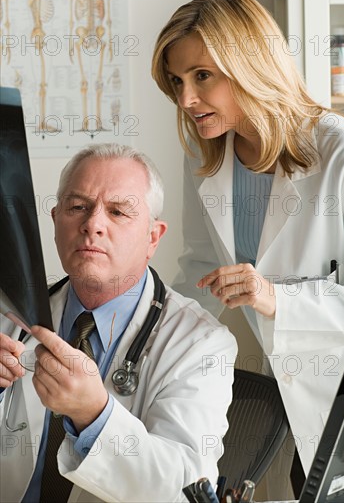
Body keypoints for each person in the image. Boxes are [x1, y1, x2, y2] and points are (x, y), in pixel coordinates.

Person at [151, 0, 344, 481]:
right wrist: (143, 338)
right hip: (272, 393)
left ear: (250, 63)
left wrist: (279, 300)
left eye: (202, 75)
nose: (186, 99)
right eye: (177, 81)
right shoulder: (206, 157)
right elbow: (201, 273)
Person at [0, 143, 237, 502]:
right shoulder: (10, 317)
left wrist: (93, 415)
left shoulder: (201, 343)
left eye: (118, 212)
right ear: (54, 221)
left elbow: (185, 491)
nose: (92, 224)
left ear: (152, 237)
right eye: (78, 207)